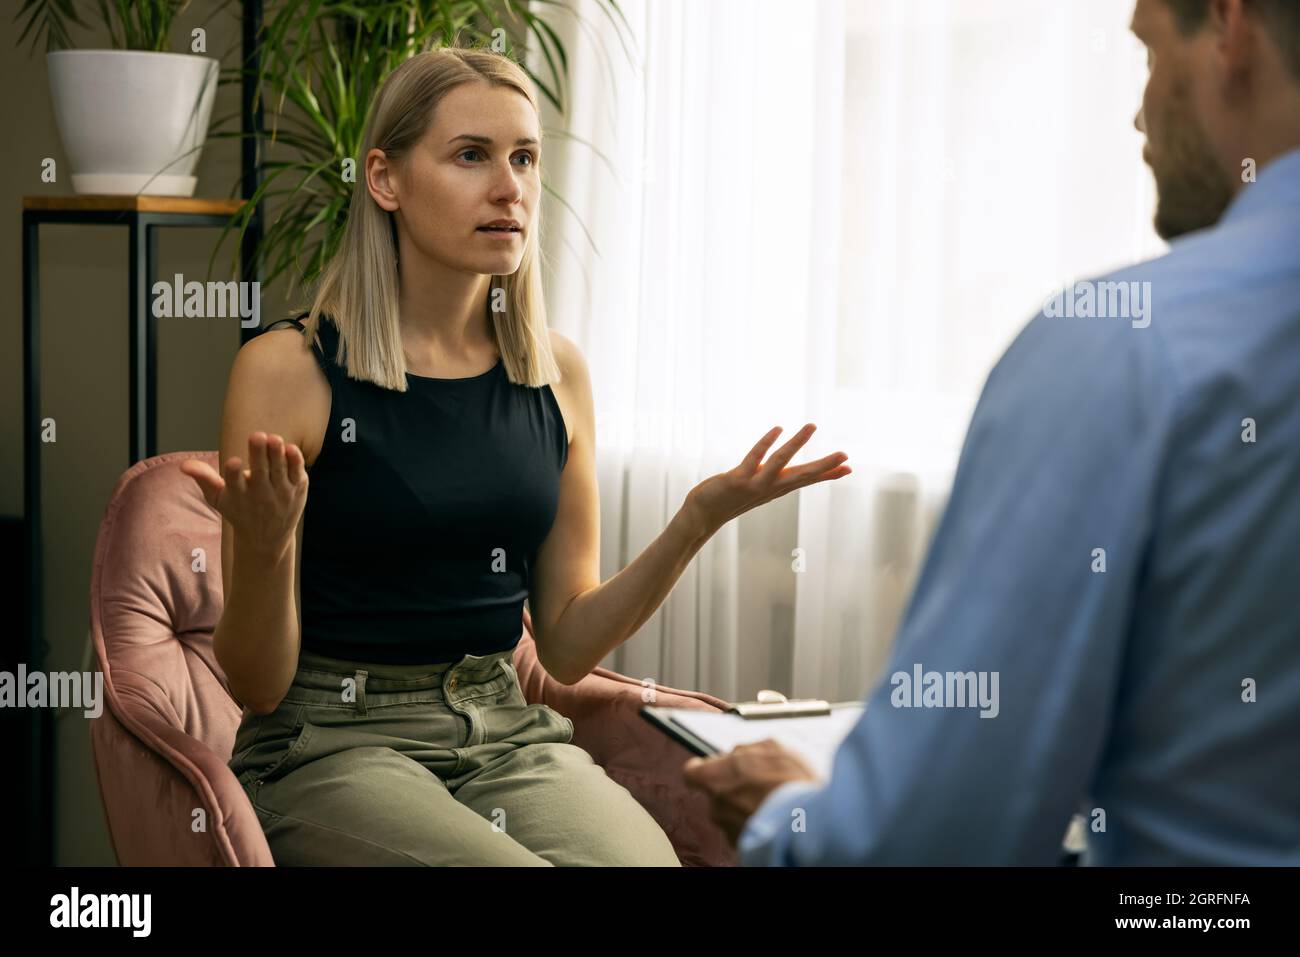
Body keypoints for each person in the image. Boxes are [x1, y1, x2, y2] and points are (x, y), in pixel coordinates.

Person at [181, 46, 850, 866]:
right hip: (329, 741)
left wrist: (696, 520)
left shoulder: (555, 375)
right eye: (472, 155)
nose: (511, 187)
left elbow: (565, 644)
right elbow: (256, 684)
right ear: (385, 180)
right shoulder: (289, 370)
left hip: (505, 727)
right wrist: (270, 540)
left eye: (525, 158)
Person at [685, 0, 1300, 865]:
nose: (1138, 110)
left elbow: (919, 845)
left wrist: (787, 812)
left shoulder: (1122, 349)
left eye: (1150, 54)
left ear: (1230, 31)